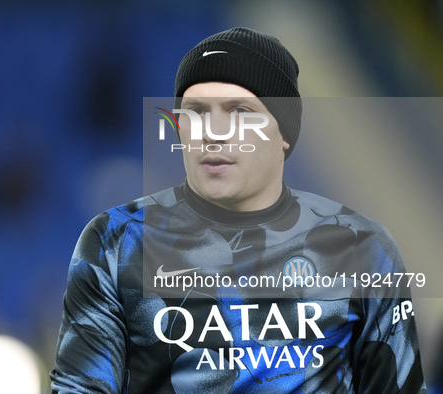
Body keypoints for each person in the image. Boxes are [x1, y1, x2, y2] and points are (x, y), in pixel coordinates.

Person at [50, 27, 427, 393]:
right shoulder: (115, 243)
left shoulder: (361, 247)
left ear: (284, 134)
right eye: (195, 112)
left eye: (240, 112)